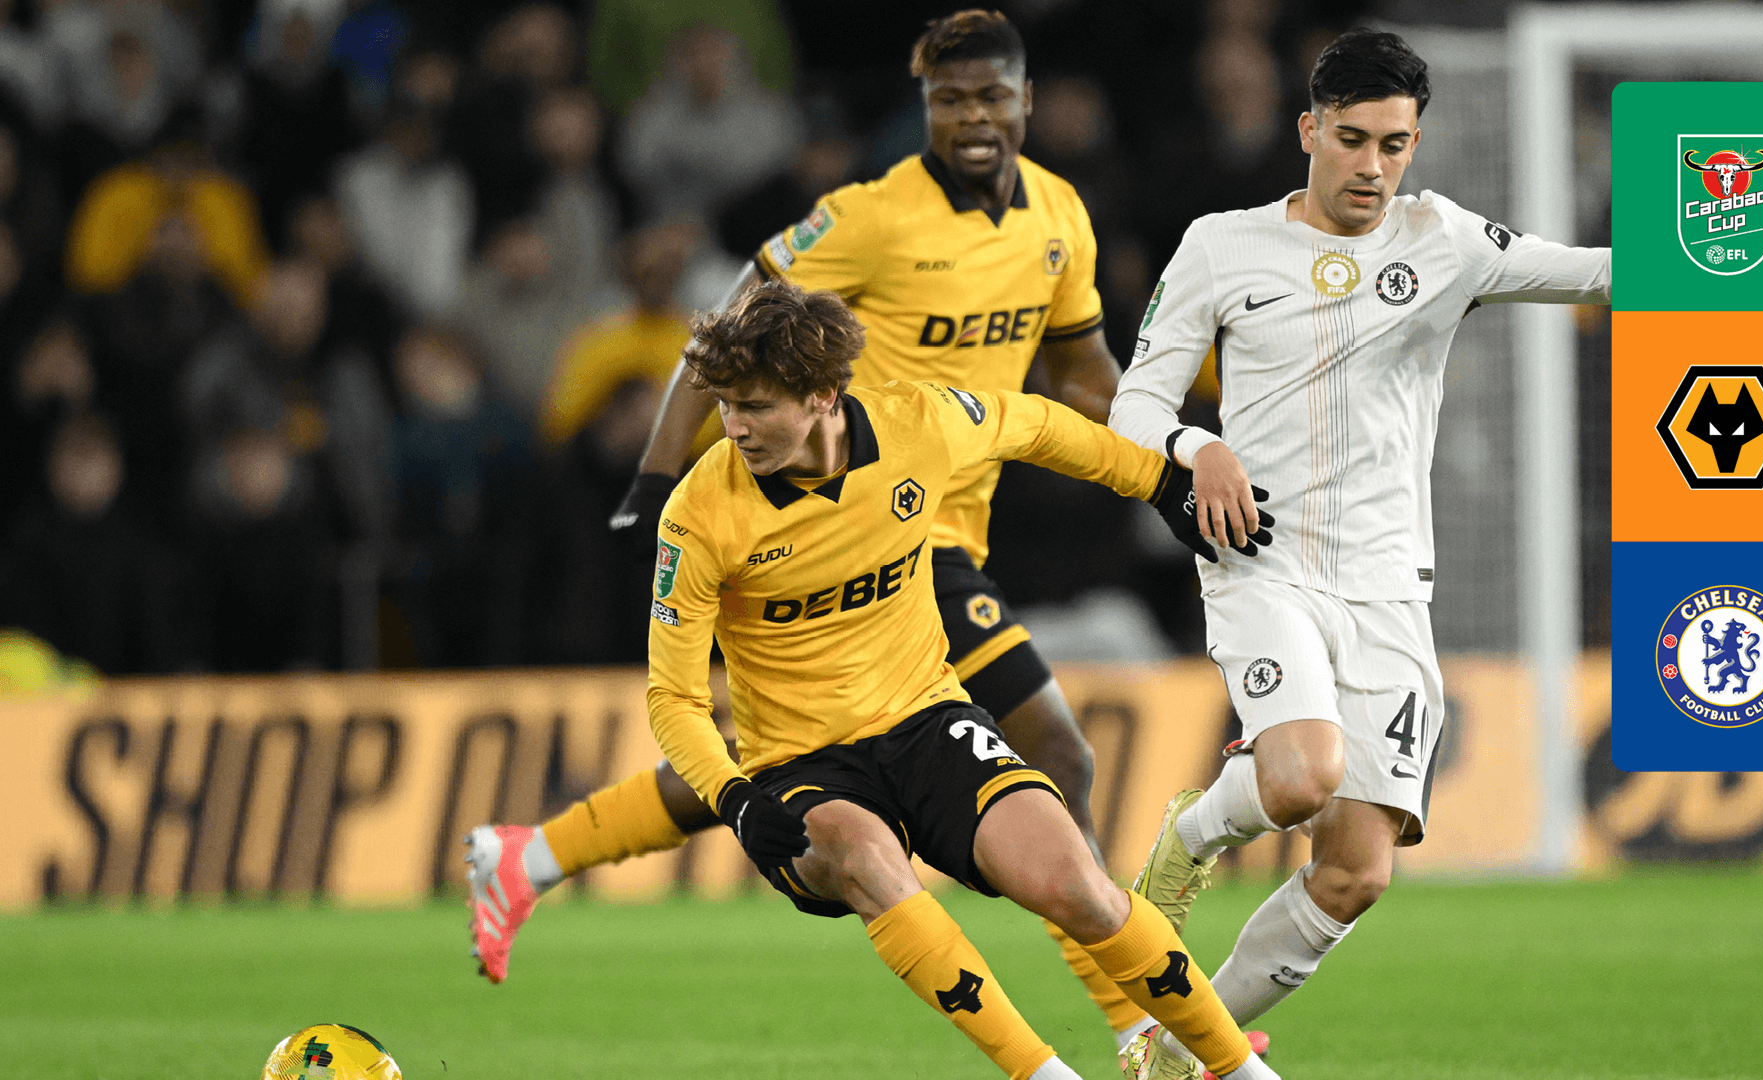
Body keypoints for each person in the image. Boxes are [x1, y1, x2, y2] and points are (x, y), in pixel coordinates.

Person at [466, 9, 1229, 1058]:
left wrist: (1180, 447)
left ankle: (532, 858)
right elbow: (731, 330)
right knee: (1050, 751)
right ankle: (1135, 1024)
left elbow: (1080, 379)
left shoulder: (1060, 214)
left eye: (990, 97)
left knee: (789, 762)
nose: (972, 118)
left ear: (1025, 101)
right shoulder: (869, 218)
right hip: (885, 525)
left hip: (947, 509)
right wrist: (657, 469)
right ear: (925, 108)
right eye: (950, 100)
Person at [469, 279, 1278, 1080]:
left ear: (823, 395)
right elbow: (673, 697)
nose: (734, 427)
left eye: (756, 407)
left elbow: (1037, 426)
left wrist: (1158, 482)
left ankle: (1234, 1069)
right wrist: (737, 799)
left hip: (927, 722)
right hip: (801, 765)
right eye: (726, 406)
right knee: (865, 857)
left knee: (1079, 887)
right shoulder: (700, 511)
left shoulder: (915, 424)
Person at [1109, 29, 1611, 1077]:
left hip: (1388, 587)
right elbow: (1135, 406)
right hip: (1263, 562)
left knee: (1356, 873)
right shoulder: (1221, 244)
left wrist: (1762, 258)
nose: (1373, 167)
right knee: (1301, 778)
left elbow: (1599, 276)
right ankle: (1187, 840)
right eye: (1352, 140)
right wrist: (1199, 448)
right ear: (1308, 131)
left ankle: (1175, 1054)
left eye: (1395, 144)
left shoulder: (1446, 241)